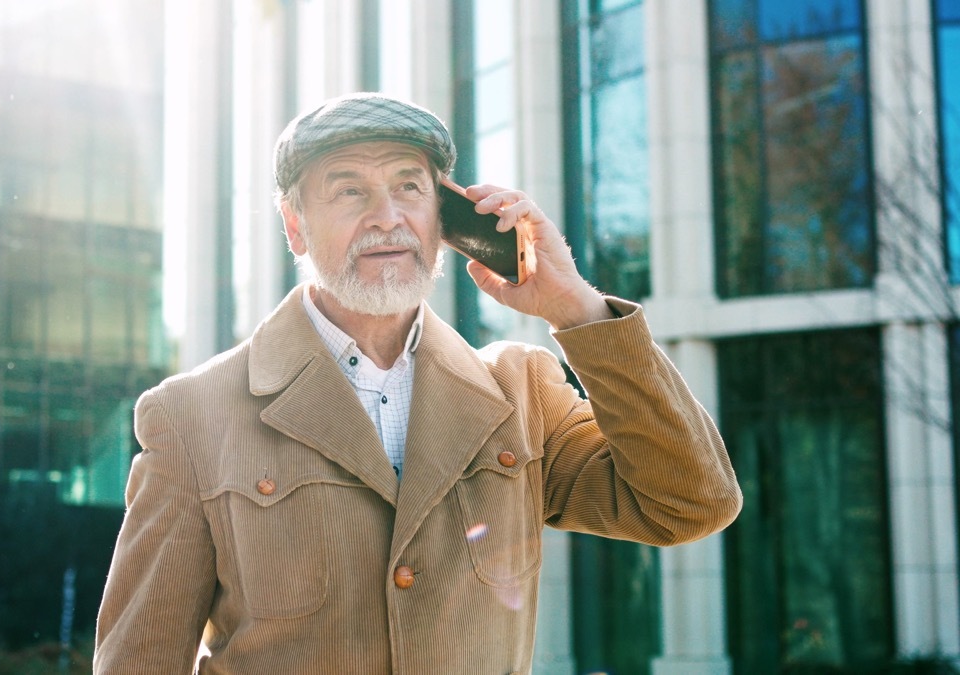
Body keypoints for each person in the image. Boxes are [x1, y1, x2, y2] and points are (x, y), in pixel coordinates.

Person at [93, 92, 742, 674]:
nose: (387, 217)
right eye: (349, 191)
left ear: (446, 217)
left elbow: (688, 503)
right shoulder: (191, 414)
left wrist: (577, 309)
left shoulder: (521, 392)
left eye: (409, 187)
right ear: (294, 224)